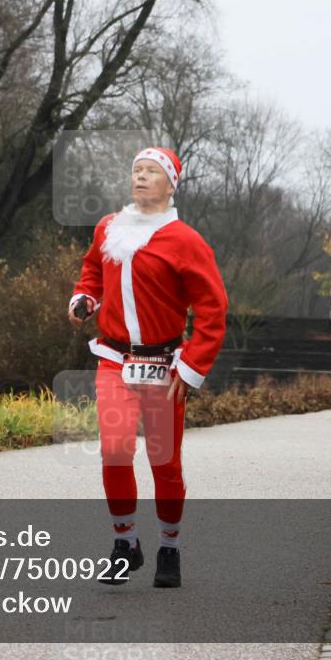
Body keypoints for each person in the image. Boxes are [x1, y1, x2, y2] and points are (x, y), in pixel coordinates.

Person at [68, 146, 228, 589]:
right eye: (135, 169)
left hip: (163, 364)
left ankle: (170, 547)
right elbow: (93, 271)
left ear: (170, 184)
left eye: (151, 172)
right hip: (114, 359)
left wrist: (191, 366)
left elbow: (213, 309)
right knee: (115, 451)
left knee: (165, 462)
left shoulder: (185, 240)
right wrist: (85, 299)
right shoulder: (108, 228)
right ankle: (126, 544)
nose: (140, 177)